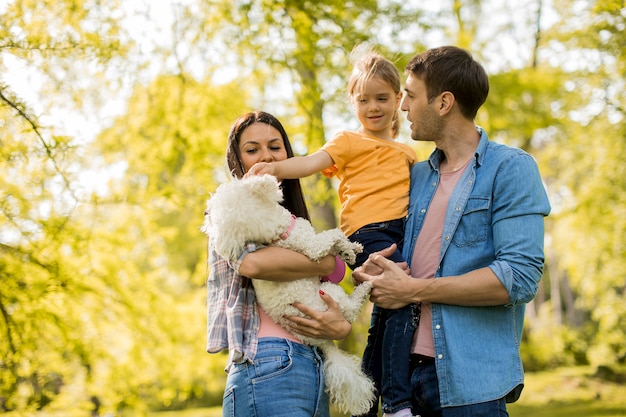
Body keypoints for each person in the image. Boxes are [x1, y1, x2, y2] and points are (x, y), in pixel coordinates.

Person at [353, 46, 552, 417]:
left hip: (470, 384)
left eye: (410, 95)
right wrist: (369, 274)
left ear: (443, 102)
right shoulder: (414, 176)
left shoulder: (510, 169)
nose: (404, 107)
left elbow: (519, 278)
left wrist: (413, 290)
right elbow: (387, 247)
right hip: (402, 383)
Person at [247, 49, 419, 417]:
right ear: (352, 102)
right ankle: (398, 402)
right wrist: (273, 169)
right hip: (368, 232)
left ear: (398, 100)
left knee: (386, 316)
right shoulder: (348, 141)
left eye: (382, 98)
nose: (373, 107)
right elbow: (310, 163)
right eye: (363, 100)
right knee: (406, 302)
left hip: (402, 234)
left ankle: (366, 405)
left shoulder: (407, 152)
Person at [206, 111, 353, 417]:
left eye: (275, 147)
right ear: (237, 160)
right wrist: (324, 260)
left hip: (313, 364)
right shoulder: (230, 213)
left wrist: (340, 327)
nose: (266, 157)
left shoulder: (294, 220)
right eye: (252, 149)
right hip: (266, 360)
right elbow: (254, 264)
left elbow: (331, 276)